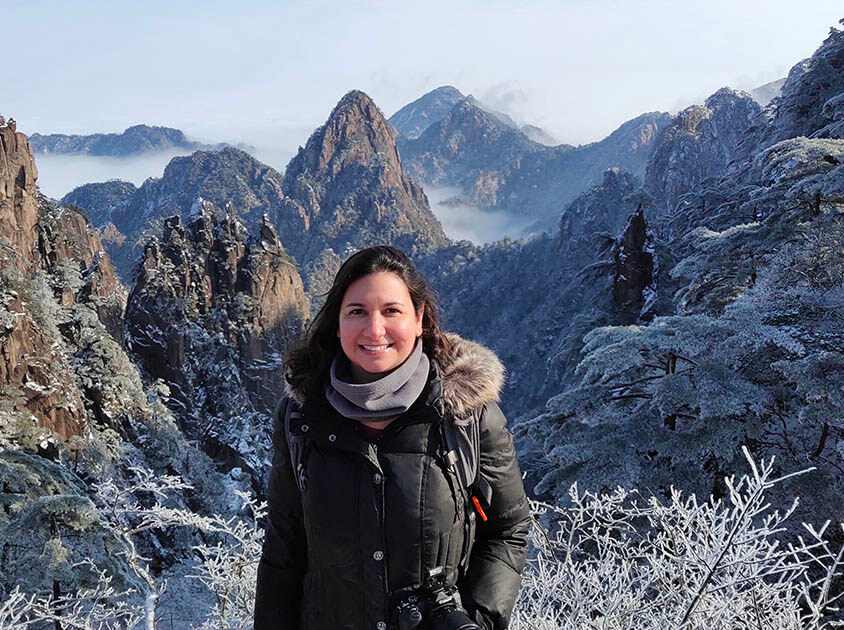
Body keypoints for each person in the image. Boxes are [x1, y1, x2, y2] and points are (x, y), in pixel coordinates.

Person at [254, 245, 531, 630]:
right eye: (357, 312)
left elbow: (507, 529)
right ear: (337, 323)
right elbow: (284, 550)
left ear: (419, 319)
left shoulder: (465, 414)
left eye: (391, 311)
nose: (374, 330)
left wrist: (476, 619)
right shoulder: (302, 418)